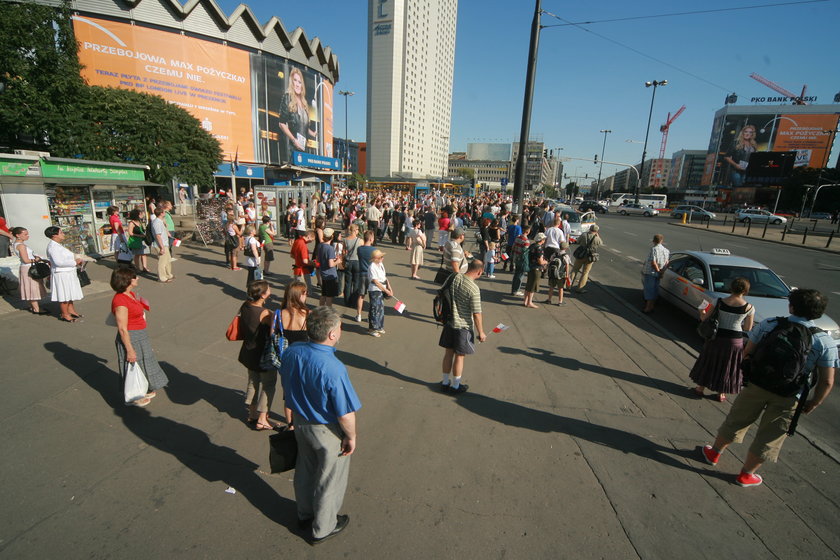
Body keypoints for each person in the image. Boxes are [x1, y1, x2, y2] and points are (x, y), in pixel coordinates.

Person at [701, 289, 836, 487]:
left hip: (757, 384)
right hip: (790, 395)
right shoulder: (825, 341)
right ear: (819, 312)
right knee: (771, 435)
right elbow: (827, 381)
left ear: (791, 306)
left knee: (737, 419)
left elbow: (747, 352)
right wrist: (814, 402)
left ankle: (714, 453)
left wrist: (747, 375)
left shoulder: (771, 324)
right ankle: (746, 475)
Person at [279, 306, 361, 545]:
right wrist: (351, 437)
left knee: (304, 471)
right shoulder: (333, 368)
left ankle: (304, 514)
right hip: (326, 429)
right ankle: (323, 527)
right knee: (329, 479)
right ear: (332, 334)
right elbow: (345, 413)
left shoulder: (293, 351)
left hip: (301, 423)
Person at [110, 267, 168, 407]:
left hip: (140, 333)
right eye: (134, 277)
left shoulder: (129, 294)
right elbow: (123, 329)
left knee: (144, 362)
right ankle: (133, 396)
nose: (137, 278)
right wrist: (129, 349)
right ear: (127, 280)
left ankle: (144, 388)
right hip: (131, 335)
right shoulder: (120, 301)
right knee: (132, 364)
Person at [690, 277, 755, 401]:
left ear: (731, 288)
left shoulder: (718, 301)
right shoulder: (749, 307)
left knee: (710, 362)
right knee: (728, 366)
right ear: (745, 290)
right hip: (735, 341)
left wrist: (701, 311)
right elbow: (747, 327)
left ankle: (700, 388)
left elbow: (705, 319)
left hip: (717, 337)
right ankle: (721, 393)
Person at [236, 280, 280, 430]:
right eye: (268, 289)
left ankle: (252, 413)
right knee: (268, 384)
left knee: (253, 381)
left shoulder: (245, 306)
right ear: (263, 295)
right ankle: (262, 418)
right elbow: (275, 331)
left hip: (248, 351)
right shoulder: (265, 313)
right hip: (263, 354)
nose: (270, 290)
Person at [439, 259, 486, 394]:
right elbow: (477, 313)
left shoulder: (454, 276)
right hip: (463, 326)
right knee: (460, 356)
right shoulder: (474, 289)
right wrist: (481, 332)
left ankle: (445, 382)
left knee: (448, 353)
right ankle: (456, 385)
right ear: (479, 271)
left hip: (449, 322)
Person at [280, 281, 310, 428]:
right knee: (303, 393)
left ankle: (290, 424)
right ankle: (301, 421)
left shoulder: (280, 314)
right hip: (303, 360)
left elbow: (273, 334)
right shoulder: (306, 314)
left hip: (285, 359)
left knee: (288, 395)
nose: (306, 296)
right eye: (305, 293)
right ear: (299, 295)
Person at [45, 226, 84, 323]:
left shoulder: (58, 245)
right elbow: (58, 262)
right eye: (61, 232)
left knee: (70, 292)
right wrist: (75, 262)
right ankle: (65, 314)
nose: (63, 234)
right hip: (62, 274)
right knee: (64, 294)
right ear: (54, 235)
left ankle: (71, 310)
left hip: (68, 272)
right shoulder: (53, 247)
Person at [278, 67, 316, 159]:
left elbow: (303, 126)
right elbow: (281, 123)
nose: (298, 84)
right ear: (292, 82)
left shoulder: (304, 103)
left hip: (303, 149)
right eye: (295, 80)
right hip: (291, 149)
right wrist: (294, 140)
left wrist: (314, 134)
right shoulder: (288, 98)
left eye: (300, 82)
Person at [11, 227, 48, 315]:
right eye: (25, 234)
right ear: (18, 235)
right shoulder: (21, 246)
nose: (28, 236)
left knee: (29, 288)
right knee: (32, 288)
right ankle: (36, 309)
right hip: (28, 268)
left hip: (25, 267)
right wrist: (37, 259)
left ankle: (34, 307)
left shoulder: (16, 244)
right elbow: (26, 260)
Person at [641, 234, 669, 313]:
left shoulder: (654, 249)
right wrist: (661, 272)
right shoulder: (666, 251)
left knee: (649, 290)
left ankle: (648, 308)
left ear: (653, 241)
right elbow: (667, 263)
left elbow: (653, 262)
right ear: (662, 241)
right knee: (655, 289)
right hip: (659, 273)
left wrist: (657, 270)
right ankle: (652, 306)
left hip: (651, 272)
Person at [367, 249, 393, 337]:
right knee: (375, 308)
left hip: (382, 287)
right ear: (376, 258)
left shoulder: (380, 264)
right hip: (375, 289)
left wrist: (389, 287)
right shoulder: (372, 267)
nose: (383, 258)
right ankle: (372, 328)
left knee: (380, 308)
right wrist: (386, 290)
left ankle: (379, 326)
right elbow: (376, 282)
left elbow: (385, 277)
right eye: (381, 257)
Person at [570, 224, 602, 293]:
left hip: (581, 254)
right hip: (590, 256)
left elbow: (577, 241)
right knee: (585, 273)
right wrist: (597, 235)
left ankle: (568, 285)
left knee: (574, 270)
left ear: (590, 229)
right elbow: (600, 243)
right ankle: (580, 288)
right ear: (596, 231)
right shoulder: (596, 238)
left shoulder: (584, 235)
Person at [354, 230, 376, 322]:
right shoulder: (374, 250)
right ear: (371, 239)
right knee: (372, 297)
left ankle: (358, 315)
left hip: (362, 273)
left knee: (361, 295)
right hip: (372, 275)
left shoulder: (359, 249)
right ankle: (370, 316)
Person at [524, 232, 547, 309]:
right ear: (542, 240)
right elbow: (540, 261)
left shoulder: (532, 246)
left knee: (528, 284)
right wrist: (546, 262)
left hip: (530, 267)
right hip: (536, 269)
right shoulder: (539, 248)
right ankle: (529, 302)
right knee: (533, 286)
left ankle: (525, 301)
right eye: (544, 239)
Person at [317, 228, 339, 307]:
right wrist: (337, 261)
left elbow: (318, 259)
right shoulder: (330, 248)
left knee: (323, 293)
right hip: (330, 274)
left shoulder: (320, 245)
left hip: (323, 273)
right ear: (332, 236)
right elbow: (331, 264)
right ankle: (328, 311)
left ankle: (321, 308)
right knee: (329, 296)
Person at [151, 208, 174, 283]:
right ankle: (162, 277)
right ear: (161, 213)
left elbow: (163, 231)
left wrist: (168, 233)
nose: (165, 213)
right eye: (164, 212)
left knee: (167, 260)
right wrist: (162, 247)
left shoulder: (160, 221)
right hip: (161, 245)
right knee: (162, 262)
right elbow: (158, 235)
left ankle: (168, 274)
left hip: (164, 243)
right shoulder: (157, 222)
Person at [545, 241, 571, 306]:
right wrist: (567, 275)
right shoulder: (565, 256)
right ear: (566, 248)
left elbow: (550, 261)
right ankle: (560, 301)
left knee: (551, 287)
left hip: (553, 273)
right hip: (560, 274)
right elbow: (567, 265)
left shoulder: (555, 254)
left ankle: (549, 300)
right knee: (560, 288)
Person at [509, 225, 531, 297]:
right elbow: (525, 252)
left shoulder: (518, 237)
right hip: (522, 260)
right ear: (528, 232)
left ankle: (513, 289)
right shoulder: (526, 241)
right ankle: (516, 290)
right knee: (520, 276)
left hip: (516, 257)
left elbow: (513, 247)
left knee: (516, 275)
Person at [342, 224, 361, 304]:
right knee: (356, 282)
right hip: (357, 261)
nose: (358, 231)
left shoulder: (345, 240)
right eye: (357, 230)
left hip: (348, 261)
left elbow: (343, 252)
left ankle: (347, 300)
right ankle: (354, 301)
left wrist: (343, 261)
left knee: (347, 282)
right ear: (355, 230)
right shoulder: (360, 240)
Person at [126, 209, 150, 273]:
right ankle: (137, 268)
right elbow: (130, 233)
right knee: (137, 255)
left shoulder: (140, 221)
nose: (142, 214)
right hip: (136, 241)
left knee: (144, 254)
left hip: (142, 240)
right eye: (140, 213)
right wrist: (139, 236)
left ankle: (145, 267)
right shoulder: (131, 223)